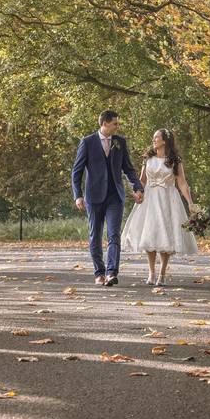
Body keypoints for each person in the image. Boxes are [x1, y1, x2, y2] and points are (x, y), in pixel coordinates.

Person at [71, 110, 144, 287]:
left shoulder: (120, 142)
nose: (117, 127)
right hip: (94, 196)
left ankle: (111, 272)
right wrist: (78, 195)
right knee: (95, 235)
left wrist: (137, 186)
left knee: (114, 234)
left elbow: (128, 168)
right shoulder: (87, 142)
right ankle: (99, 273)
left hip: (114, 196)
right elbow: (77, 171)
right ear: (105, 123)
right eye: (115, 124)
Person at [121, 128, 199, 286]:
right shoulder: (148, 158)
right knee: (149, 234)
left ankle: (162, 273)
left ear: (164, 141)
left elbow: (182, 183)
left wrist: (190, 203)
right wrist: (138, 192)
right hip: (150, 198)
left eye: (156, 137)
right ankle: (151, 272)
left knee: (166, 235)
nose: (153, 140)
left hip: (168, 198)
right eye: (153, 137)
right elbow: (142, 180)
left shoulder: (174, 160)